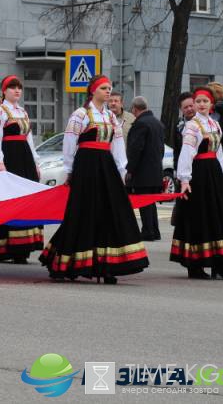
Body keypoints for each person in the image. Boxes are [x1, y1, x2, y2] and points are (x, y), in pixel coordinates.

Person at [39, 75, 149, 284]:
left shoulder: (110, 117)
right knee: (84, 213)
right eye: (104, 88)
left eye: (110, 88)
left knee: (109, 212)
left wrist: (121, 170)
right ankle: (70, 262)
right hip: (86, 166)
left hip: (105, 166)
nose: (108, 92)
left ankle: (107, 265)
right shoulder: (80, 115)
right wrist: (69, 170)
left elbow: (117, 145)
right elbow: (70, 144)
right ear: (93, 91)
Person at [171, 86, 223, 279]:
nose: (200, 104)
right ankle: (196, 265)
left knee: (219, 216)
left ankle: (220, 264)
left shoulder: (215, 124)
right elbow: (187, 152)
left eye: (204, 101)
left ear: (211, 105)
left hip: (214, 173)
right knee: (200, 217)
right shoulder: (192, 126)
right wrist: (184, 178)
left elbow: (219, 153)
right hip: (198, 174)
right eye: (197, 101)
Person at [0, 75, 44, 264]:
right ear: (4, 91)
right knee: (9, 200)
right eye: (13, 87)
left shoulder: (23, 112)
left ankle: (23, 247)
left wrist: (35, 162)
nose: (17, 91)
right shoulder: (0, 111)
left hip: (25, 160)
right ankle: (3, 246)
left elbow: (29, 139)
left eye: (19, 88)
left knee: (26, 200)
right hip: (10, 159)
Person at [125, 96, 165, 241]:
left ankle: (148, 231)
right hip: (155, 171)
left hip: (143, 172)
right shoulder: (157, 123)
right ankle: (154, 230)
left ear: (135, 109)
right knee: (150, 202)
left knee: (144, 202)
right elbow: (160, 149)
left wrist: (130, 169)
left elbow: (136, 149)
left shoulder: (140, 124)